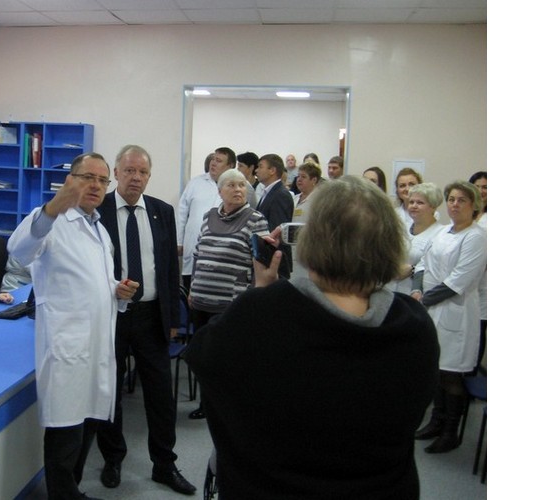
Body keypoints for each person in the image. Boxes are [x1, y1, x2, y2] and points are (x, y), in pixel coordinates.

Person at [185, 176, 439, 499]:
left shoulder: (259, 315)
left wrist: (261, 291)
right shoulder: (414, 326)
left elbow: (204, 357)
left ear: (310, 239)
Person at [8, 153, 137, 500]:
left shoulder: (100, 229)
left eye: (102, 180)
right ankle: (62, 495)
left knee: (88, 425)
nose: (96, 185)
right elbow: (18, 251)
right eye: (87, 177)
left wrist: (117, 290)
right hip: (66, 346)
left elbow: (96, 283)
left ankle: (73, 492)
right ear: (70, 180)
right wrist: (52, 209)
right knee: (65, 432)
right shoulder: (52, 221)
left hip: (96, 346)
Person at [95, 145, 196, 495]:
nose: (136, 178)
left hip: (152, 316)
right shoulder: (98, 211)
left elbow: (169, 268)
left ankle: (164, 464)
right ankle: (113, 458)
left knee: (160, 395)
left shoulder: (161, 211)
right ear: (116, 173)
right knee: (110, 392)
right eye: (129, 170)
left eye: (142, 172)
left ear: (149, 176)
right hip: (112, 315)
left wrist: (173, 319)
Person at [187, 168, 270, 421]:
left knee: (227, 359)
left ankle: (228, 407)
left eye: (242, 185)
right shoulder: (208, 216)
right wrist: (192, 287)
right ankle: (206, 403)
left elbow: (262, 264)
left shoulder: (256, 220)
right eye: (231, 185)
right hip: (200, 299)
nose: (237, 190)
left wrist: (254, 300)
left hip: (231, 304)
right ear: (220, 191)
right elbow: (198, 254)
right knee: (204, 357)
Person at [411, 181, 487, 454]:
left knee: (452, 375)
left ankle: (450, 432)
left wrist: (422, 300)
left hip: (457, 311)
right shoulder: (443, 231)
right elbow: (422, 263)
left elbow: (458, 281)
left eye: (462, 200)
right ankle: (436, 422)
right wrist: (417, 289)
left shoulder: (476, 237)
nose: (455, 204)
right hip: (433, 308)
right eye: (452, 199)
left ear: (474, 206)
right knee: (437, 369)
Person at [177, 147, 233, 290]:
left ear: (230, 166)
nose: (213, 163)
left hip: (221, 254)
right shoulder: (195, 183)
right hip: (193, 248)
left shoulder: (235, 188)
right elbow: (182, 213)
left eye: (219, 161)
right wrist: (179, 241)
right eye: (213, 159)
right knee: (190, 290)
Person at [389, 183, 447, 294]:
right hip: (391, 290)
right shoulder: (401, 229)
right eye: (411, 202)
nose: (414, 206)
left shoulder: (441, 234)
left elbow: (436, 267)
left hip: (417, 294)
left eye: (420, 203)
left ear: (433, 206)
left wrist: (412, 269)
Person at [254, 153, 294, 279]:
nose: (256, 170)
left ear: (272, 170)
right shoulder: (268, 192)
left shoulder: (280, 194)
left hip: (274, 262)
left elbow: (276, 230)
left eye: (260, 167)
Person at [468, 171, 487, 371]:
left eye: (485, 187)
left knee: (479, 330)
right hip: (468, 285)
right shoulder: (468, 217)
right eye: (477, 186)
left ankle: (473, 376)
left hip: (484, 285)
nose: (481, 191)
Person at [290, 161, 322, 277]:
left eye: (303, 177)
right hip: (292, 248)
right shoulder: (294, 198)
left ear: (314, 180)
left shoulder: (319, 201)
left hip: (309, 251)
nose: (299, 180)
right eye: (298, 176)